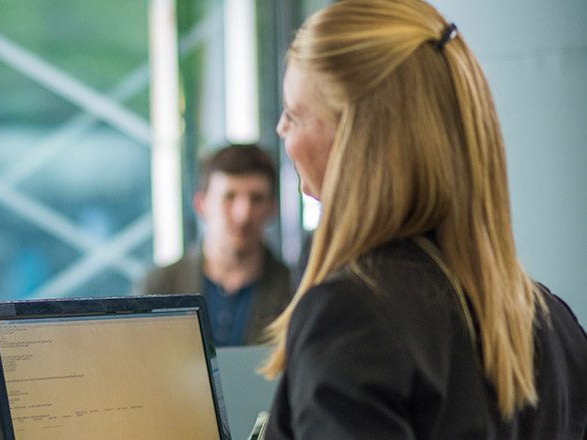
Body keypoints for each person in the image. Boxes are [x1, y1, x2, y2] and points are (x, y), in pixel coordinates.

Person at [264, 0, 587, 438]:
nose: (282, 130)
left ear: (357, 137)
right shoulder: (550, 320)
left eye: (295, 114)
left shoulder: (351, 316)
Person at [135, 144, 292, 346]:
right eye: (229, 197)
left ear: (272, 208)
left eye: (257, 199)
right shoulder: (158, 287)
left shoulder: (294, 290)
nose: (242, 214)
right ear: (201, 204)